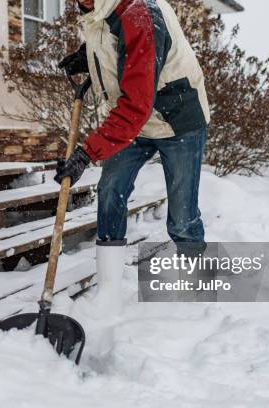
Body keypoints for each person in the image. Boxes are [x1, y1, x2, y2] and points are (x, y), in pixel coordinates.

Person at [55, 0, 210, 312]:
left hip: (176, 121)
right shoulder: (102, 9)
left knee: (182, 213)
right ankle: (110, 289)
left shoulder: (141, 15)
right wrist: (90, 56)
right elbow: (117, 44)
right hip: (135, 123)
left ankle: (194, 289)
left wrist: (87, 154)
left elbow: (136, 103)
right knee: (111, 190)